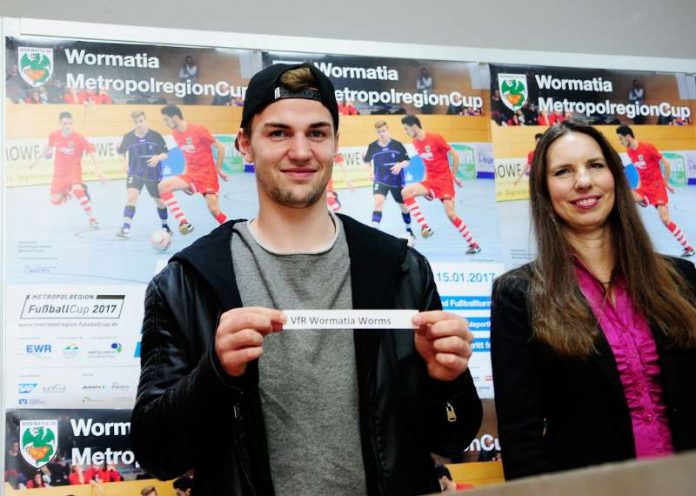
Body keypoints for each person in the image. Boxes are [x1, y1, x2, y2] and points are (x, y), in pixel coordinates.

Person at [131, 62, 482, 496]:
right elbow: (157, 453)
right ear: (245, 144)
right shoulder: (186, 282)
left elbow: (450, 437)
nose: (301, 151)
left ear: (335, 143)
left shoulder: (401, 270)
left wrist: (447, 379)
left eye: (317, 133)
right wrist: (214, 374)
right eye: (278, 133)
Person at [491, 120, 696, 481]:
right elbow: (521, 437)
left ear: (615, 176)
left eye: (595, 165)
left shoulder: (681, 279)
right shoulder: (518, 295)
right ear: (544, 190)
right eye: (563, 171)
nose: (583, 181)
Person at [400, 114, 481, 254]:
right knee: (405, 192)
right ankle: (425, 227)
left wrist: (453, 176)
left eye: (406, 129)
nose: (406, 132)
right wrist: (424, 184)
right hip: (430, 180)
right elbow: (427, 164)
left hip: (444, 181)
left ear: (414, 127)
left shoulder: (435, 138)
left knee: (450, 214)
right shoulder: (415, 142)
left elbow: (455, 155)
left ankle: (473, 244)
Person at [616, 125, 694, 257]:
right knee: (625, 197)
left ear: (628, 136)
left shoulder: (647, 147)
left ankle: (688, 247)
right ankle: (627, 245)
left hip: (657, 187)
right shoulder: (629, 152)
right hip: (645, 187)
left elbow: (666, 163)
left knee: (665, 219)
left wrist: (665, 182)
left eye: (621, 139)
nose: (620, 142)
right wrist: (639, 190)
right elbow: (640, 172)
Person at [29, 111, 106, 229]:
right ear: (60, 124)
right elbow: (47, 148)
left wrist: (99, 172)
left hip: (73, 170)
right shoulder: (53, 135)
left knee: (78, 193)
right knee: (54, 201)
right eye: (65, 123)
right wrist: (35, 162)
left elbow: (92, 153)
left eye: (70, 123)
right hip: (59, 173)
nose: (68, 126)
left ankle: (92, 219)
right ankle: (70, 190)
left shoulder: (79, 138)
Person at [159, 104, 229, 234]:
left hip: (207, 174)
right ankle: (184, 222)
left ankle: (233, 231)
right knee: (163, 186)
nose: (166, 123)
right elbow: (187, 156)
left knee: (213, 209)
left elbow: (220, 147)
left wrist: (218, 169)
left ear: (174, 118)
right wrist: (185, 179)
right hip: (191, 174)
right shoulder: (175, 134)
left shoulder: (198, 129)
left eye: (166, 120)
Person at [116, 111, 171, 238]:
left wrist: (157, 158)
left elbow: (165, 153)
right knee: (131, 196)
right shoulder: (128, 137)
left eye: (141, 121)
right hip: (135, 172)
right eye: (136, 122)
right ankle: (125, 228)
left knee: (159, 201)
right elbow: (121, 151)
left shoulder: (155, 136)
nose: (139, 124)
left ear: (145, 120)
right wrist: (125, 163)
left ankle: (165, 226)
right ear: (133, 123)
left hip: (153, 173)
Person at [363, 120, 414, 242]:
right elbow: (367, 161)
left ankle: (409, 229)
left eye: (383, 131)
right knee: (378, 202)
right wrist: (369, 171)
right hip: (380, 180)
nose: (381, 134)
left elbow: (407, 161)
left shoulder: (397, 145)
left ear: (387, 130)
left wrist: (400, 165)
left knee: (403, 207)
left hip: (397, 181)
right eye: (379, 132)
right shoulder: (372, 146)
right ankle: (374, 232)